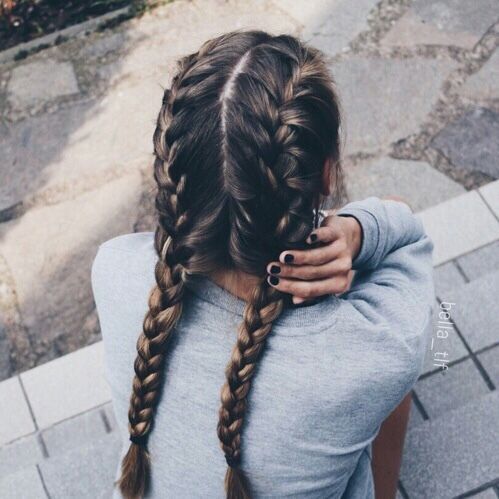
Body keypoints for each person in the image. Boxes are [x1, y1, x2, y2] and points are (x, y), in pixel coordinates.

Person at [91, 30, 434, 499]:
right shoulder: (376, 352)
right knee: (412, 359)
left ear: (174, 176)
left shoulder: (113, 269)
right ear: (327, 174)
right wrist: (357, 230)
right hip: (360, 357)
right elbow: (409, 233)